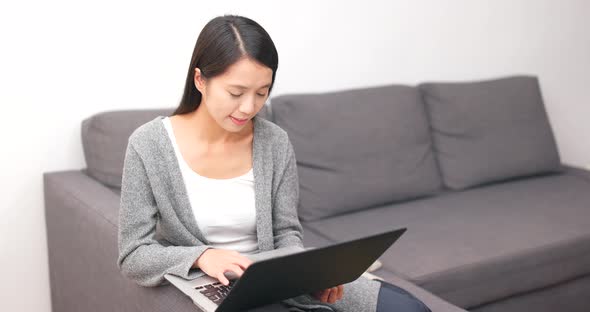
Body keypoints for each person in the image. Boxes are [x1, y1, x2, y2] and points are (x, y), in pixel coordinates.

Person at [117, 14, 431, 312]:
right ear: (200, 80)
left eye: (261, 92)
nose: (249, 107)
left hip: (280, 281)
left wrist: (313, 274)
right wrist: (202, 256)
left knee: (409, 307)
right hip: (218, 287)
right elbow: (134, 254)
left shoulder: (274, 142)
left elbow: (287, 235)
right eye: (236, 92)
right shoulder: (149, 145)